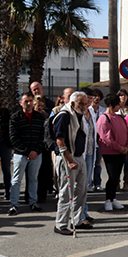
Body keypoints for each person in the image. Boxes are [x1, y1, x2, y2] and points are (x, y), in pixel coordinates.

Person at [54, 91, 92, 235]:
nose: (83, 106)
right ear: (72, 103)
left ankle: (77, 220)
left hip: (79, 156)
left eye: (84, 103)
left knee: (81, 191)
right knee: (66, 192)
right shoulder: (65, 115)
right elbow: (60, 141)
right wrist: (69, 161)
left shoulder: (79, 115)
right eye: (80, 103)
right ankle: (61, 224)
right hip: (67, 157)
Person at [8, 92, 46, 216]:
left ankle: (33, 202)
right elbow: (14, 138)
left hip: (36, 153)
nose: (28, 103)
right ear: (20, 103)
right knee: (16, 180)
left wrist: (36, 151)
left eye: (30, 101)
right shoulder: (15, 117)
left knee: (34, 179)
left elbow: (43, 136)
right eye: (26, 101)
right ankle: (14, 205)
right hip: (20, 154)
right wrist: (27, 151)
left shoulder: (40, 118)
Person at [97, 93, 128, 212]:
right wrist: (120, 148)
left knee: (117, 176)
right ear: (111, 105)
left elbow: (127, 133)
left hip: (121, 152)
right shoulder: (104, 118)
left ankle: (113, 198)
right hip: (110, 153)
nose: (119, 106)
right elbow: (106, 137)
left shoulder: (120, 117)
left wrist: (126, 146)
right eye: (117, 104)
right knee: (112, 176)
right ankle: (108, 199)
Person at [33, 95, 54, 203]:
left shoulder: (46, 117)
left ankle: (42, 195)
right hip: (33, 147)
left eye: (41, 106)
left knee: (44, 172)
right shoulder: (31, 116)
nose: (39, 108)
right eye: (37, 105)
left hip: (44, 147)